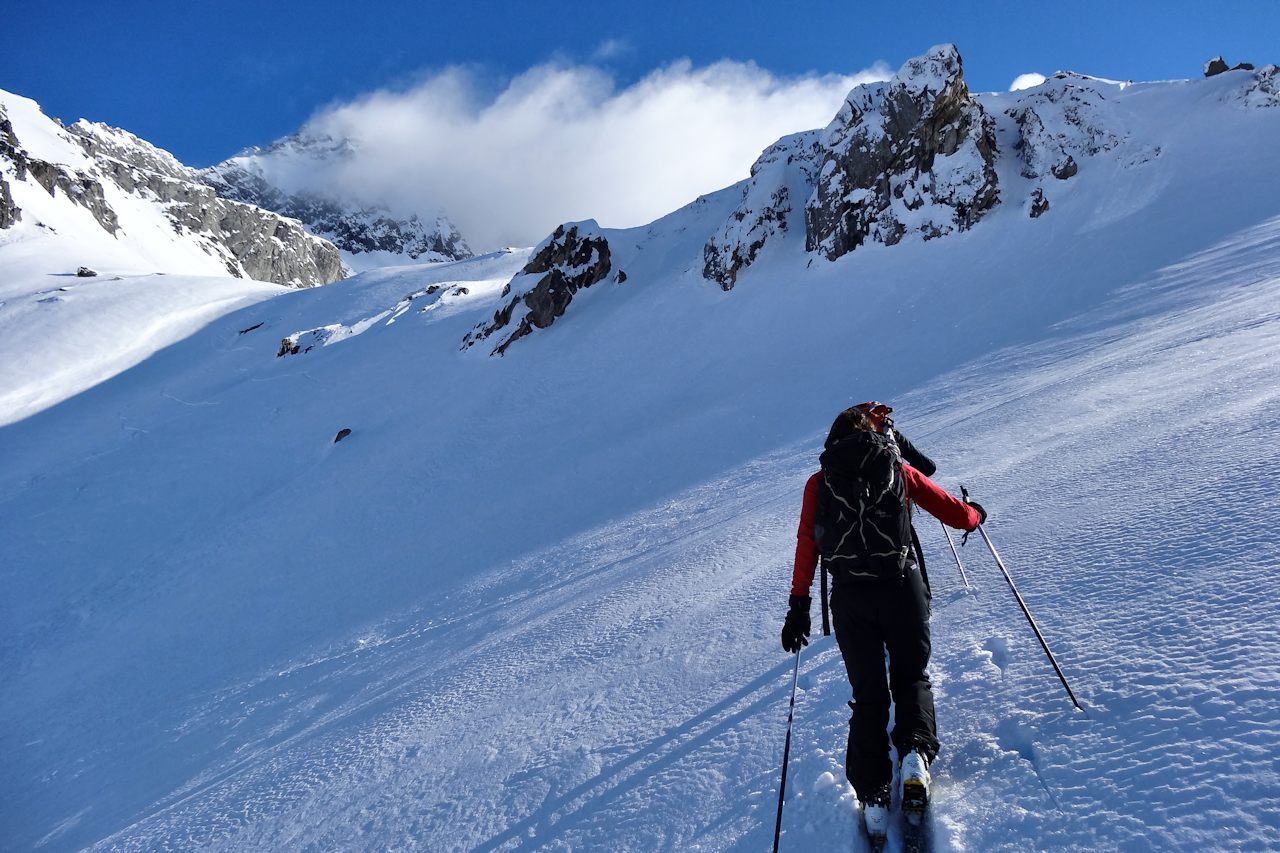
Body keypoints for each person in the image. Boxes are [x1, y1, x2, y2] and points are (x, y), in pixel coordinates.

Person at [780, 404, 985, 838]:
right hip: (901, 588)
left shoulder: (820, 483)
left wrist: (799, 604)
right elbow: (950, 509)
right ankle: (914, 757)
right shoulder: (895, 468)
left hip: (851, 599)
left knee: (869, 696)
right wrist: (975, 515)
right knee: (911, 676)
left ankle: (873, 796)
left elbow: (807, 542)